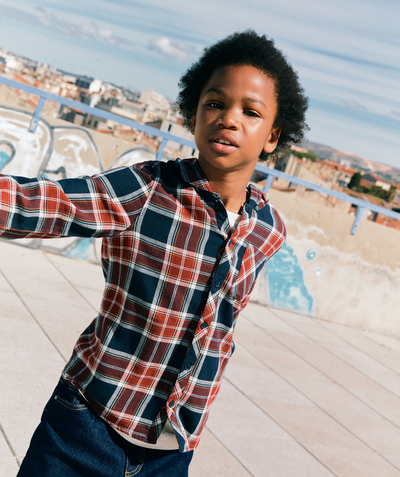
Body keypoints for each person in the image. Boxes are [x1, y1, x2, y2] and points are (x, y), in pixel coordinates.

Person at [0, 30, 308, 476]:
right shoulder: (148, 189)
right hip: (85, 426)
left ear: (273, 137)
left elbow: (220, 330)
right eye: (215, 103)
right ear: (194, 113)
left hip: (172, 451)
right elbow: (51, 203)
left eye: (251, 111)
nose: (229, 118)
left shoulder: (267, 229)